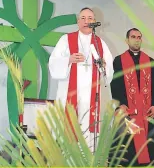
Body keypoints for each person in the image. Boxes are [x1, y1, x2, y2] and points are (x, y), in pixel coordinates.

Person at [48, 8, 114, 149]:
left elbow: (109, 72)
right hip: (69, 97)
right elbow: (53, 63)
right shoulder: (66, 39)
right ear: (78, 21)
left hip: (92, 99)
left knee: (89, 141)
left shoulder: (100, 44)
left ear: (94, 22)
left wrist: (103, 65)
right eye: (83, 18)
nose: (86, 21)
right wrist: (69, 59)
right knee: (68, 134)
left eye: (90, 18)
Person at [111, 28, 154, 166]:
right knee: (128, 146)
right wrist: (120, 103)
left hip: (147, 112)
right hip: (128, 110)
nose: (137, 39)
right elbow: (115, 84)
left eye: (139, 37)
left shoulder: (149, 60)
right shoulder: (119, 60)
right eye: (133, 37)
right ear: (127, 40)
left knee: (149, 144)